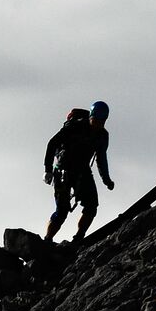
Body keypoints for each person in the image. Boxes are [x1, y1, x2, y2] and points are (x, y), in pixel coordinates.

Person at [44, 100, 114, 243]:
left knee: (92, 205)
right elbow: (52, 144)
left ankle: (79, 238)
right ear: (91, 117)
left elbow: (101, 159)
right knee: (62, 211)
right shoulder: (74, 127)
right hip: (63, 170)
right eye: (96, 120)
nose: (98, 124)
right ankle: (47, 240)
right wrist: (48, 170)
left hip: (82, 171)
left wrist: (106, 180)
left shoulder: (102, 136)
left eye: (102, 121)